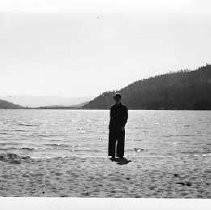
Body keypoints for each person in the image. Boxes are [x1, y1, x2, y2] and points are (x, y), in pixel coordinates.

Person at [108, 93, 128, 160]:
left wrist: (123, 125)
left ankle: (120, 155)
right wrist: (110, 126)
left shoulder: (124, 108)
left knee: (121, 142)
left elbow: (126, 118)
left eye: (117, 99)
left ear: (120, 99)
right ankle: (112, 155)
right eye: (115, 99)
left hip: (120, 126)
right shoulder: (112, 108)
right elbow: (111, 117)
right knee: (112, 141)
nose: (116, 100)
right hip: (113, 126)